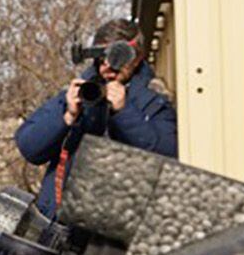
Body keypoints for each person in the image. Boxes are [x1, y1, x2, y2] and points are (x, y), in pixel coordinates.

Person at [14, 17, 178, 217]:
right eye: (100, 60)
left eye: (117, 60)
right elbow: (29, 147)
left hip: (117, 228)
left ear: (137, 58)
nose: (106, 69)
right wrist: (67, 116)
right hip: (64, 223)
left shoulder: (154, 99)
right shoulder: (80, 90)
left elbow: (167, 156)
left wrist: (124, 112)